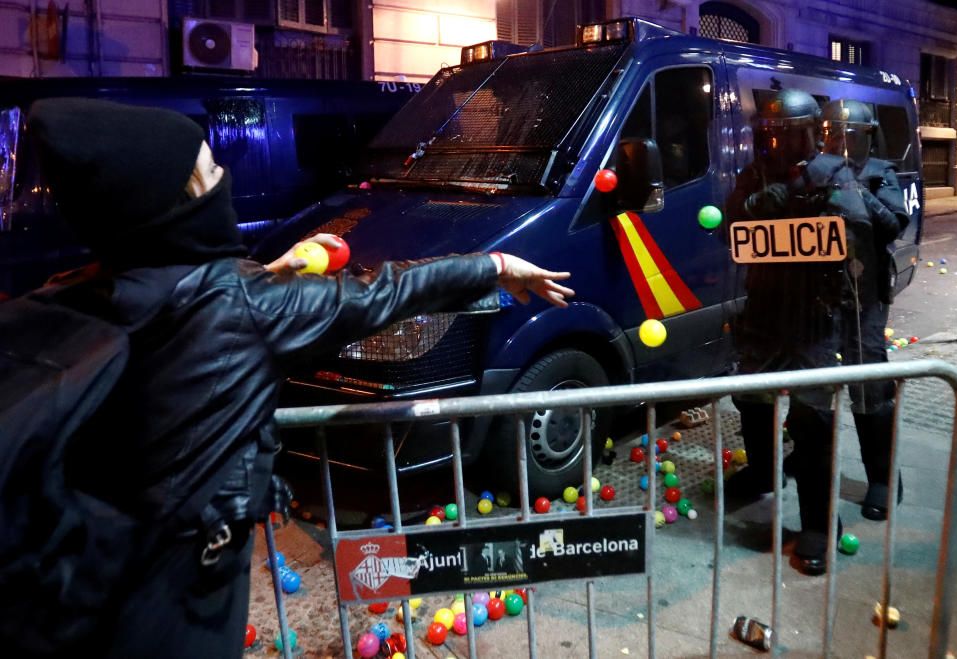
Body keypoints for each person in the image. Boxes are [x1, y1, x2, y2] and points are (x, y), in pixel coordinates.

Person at [24, 97, 573, 658]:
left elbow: (179, 298)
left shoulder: (64, 296)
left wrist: (263, 276)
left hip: (67, 597)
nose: (224, 181)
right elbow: (382, 292)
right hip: (176, 600)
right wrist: (497, 266)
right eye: (213, 171)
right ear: (181, 198)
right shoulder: (241, 306)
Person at [725, 88, 843, 576]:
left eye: (790, 135)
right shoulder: (754, 176)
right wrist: (762, 202)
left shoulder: (834, 173)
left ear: (811, 133)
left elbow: (857, 227)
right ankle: (763, 471)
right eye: (772, 136)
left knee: (812, 419)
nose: (780, 145)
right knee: (752, 399)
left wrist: (814, 204)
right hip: (766, 312)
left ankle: (818, 521)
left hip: (815, 315)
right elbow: (729, 226)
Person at [816, 98, 909, 520]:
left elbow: (893, 223)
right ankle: (807, 459)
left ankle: (883, 477)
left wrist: (853, 192)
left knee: (869, 384)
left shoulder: (879, 173)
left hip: (864, 296)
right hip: (820, 295)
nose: (840, 141)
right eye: (833, 134)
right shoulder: (816, 169)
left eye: (848, 134)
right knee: (814, 385)